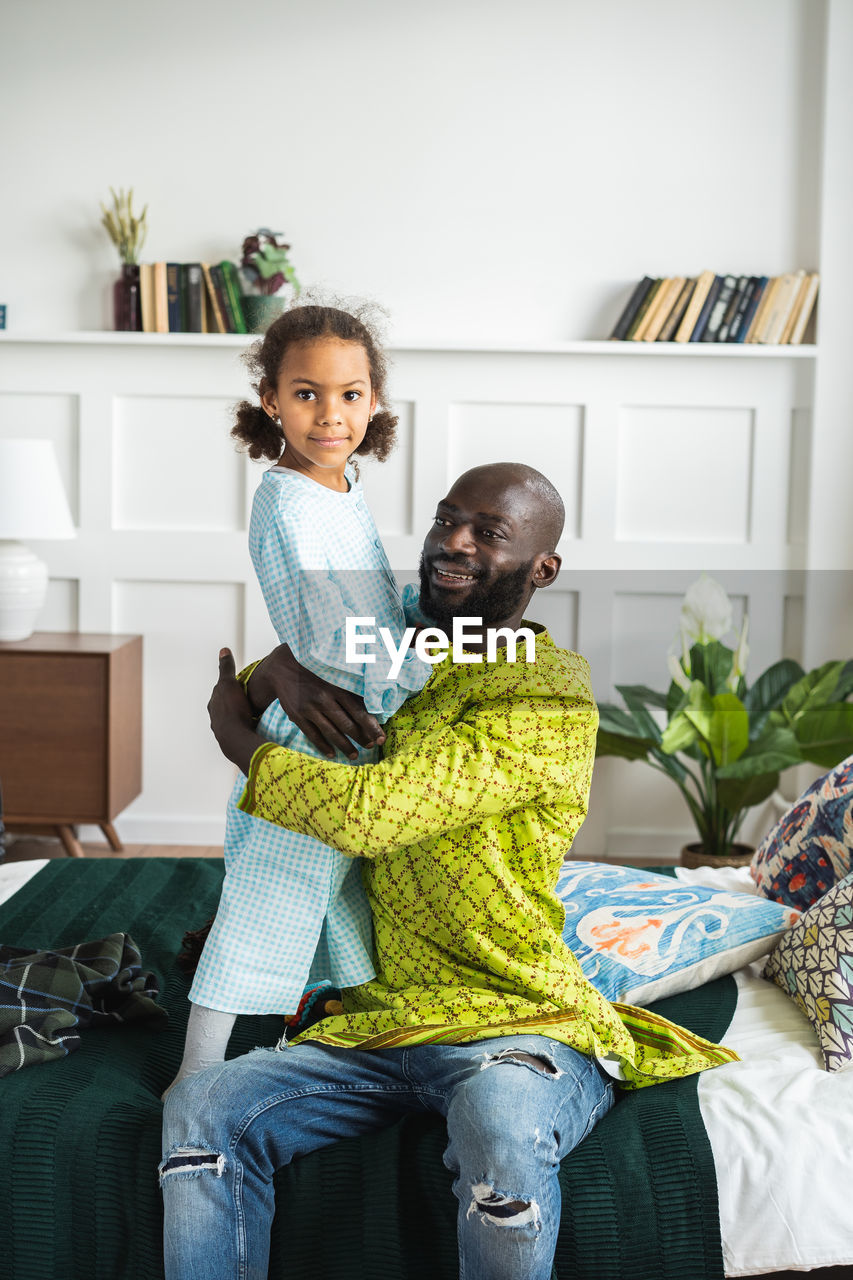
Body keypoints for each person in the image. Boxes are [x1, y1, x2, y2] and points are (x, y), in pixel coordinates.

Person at [160, 462, 737, 1280]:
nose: (452, 544)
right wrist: (273, 671)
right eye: (444, 520)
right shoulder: (391, 635)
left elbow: (373, 813)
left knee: (502, 1129)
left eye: (488, 533)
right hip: (373, 1020)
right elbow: (311, 652)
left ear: (543, 570)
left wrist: (240, 742)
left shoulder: (548, 699)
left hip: (511, 1016)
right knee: (200, 1108)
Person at [165, 304, 432, 1095]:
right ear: (271, 399)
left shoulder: (341, 489)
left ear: (374, 400)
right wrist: (433, 664)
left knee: (344, 906)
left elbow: (368, 605)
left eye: (350, 395)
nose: (331, 414)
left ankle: (332, 1035)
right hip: (315, 736)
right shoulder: (287, 501)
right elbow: (325, 637)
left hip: (354, 730)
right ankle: (191, 1078)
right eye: (307, 394)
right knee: (261, 909)